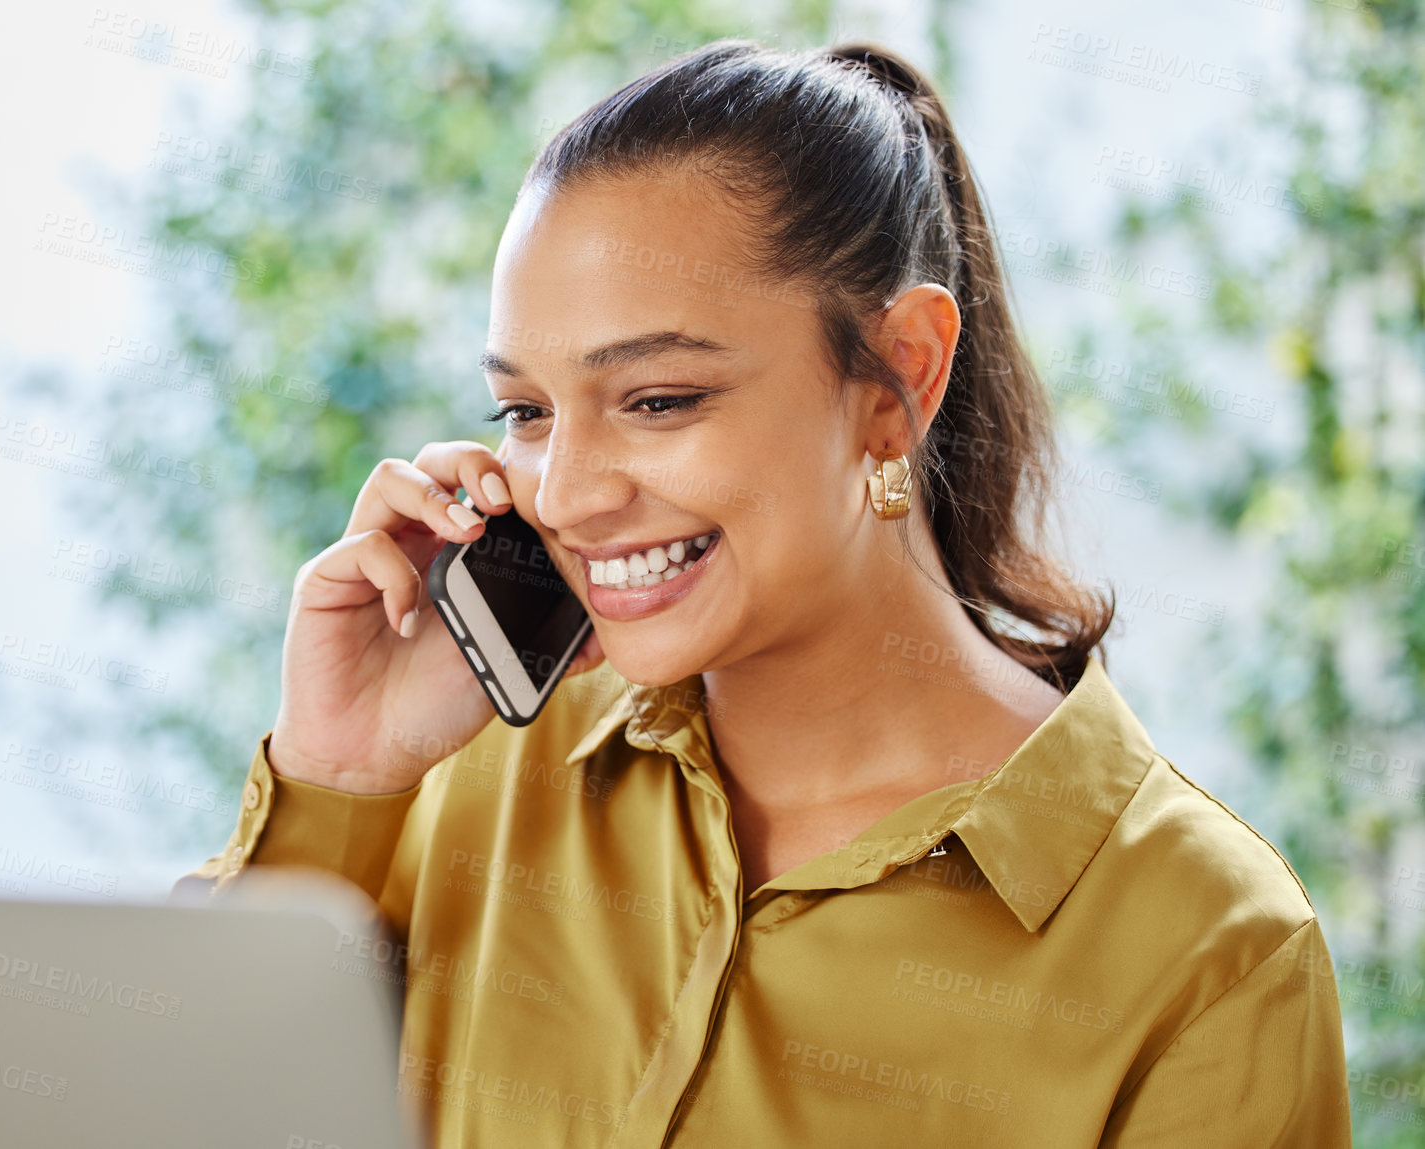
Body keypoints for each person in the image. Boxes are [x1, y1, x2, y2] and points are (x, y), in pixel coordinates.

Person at [178, 39, 1351, 1147]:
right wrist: (334, 782)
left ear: (898, 378)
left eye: (657, 400)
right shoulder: (471, 771)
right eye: (525, 413)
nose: (568, 494)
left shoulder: (1205, 950)